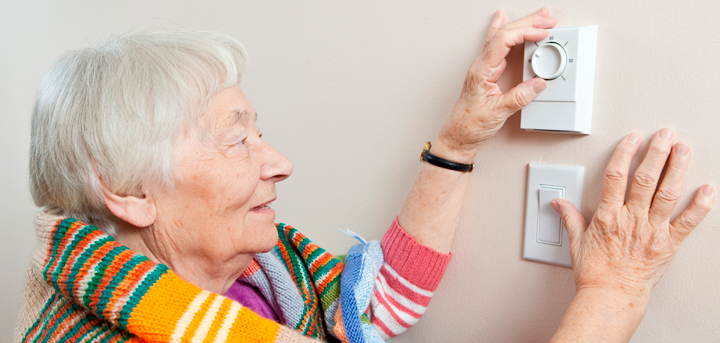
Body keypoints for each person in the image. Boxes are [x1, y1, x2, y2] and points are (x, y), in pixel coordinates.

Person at [14, 7, 714, 343]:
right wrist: (613, 294)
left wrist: (459, 139)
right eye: (237, 140)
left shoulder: (251, 281)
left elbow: (370, 304)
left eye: (260, 130)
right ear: (129, 191)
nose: (278, 160)